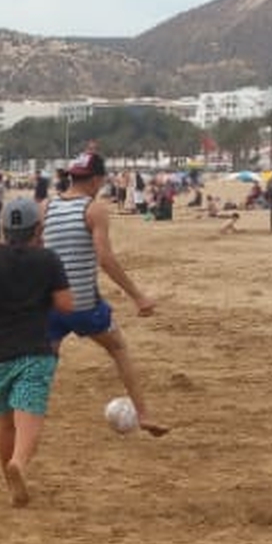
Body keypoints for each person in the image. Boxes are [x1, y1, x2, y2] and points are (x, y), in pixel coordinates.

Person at [40, 151, 170, 436]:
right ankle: (145, 415)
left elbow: (36, 253)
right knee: (118, 348)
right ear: (97, 179)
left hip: (51, 304)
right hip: (84, 304)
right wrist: (138, 296)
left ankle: (27, 418)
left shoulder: (46, 207)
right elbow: (105, 258)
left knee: (45, 362)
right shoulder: (93, 209)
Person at [0, 198, 74, 507]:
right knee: (30, 412)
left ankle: (11, 486)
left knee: (5, 423)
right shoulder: (48, 259)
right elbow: (65, 306)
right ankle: (19, 463)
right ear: (38, 228)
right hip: (35, 350)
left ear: (5, 227)